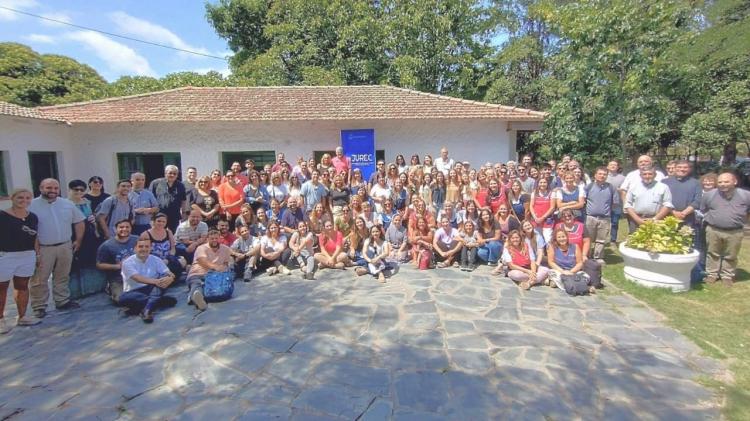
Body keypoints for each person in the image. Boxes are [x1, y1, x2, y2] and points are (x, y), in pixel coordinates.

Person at [29, 178, 85, 319]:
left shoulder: (67, 204)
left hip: (65, 246)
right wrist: (35, 251)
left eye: (55, 188)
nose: (52, 191)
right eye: (49, 188)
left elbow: (79, 222)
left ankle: (62, 300)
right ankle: (39, 306)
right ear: (41, 188)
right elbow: (30, 231)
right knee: (39, 279)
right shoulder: (31, 206)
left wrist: (78, 240)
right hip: (43, 248)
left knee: (62, 275)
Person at [0, 188, 42, 333]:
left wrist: (37, 255)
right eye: (20, 198)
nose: (24, 201)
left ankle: (22, 316)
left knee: (22, 285)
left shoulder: (33, 217)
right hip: (5, 255)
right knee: (2, 287)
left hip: (26, 255)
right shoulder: (2, 215)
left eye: (27, 198)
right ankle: (0, 320)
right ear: (12, 198)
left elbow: (35, 237)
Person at [699, 172, 750, 286]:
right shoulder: (709, 195)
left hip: (735, 231)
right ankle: (712, 274)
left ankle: (727, 275)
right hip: (713, 229)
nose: (723, 184)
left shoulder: (746, 195)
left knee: (731, 255)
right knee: (712, 253)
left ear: (734, 182)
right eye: (720, 182)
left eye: (726, 181)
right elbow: (704, 209)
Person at [119, 237, 177, 323]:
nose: (144, 249)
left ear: (150, 248)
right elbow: (137, 278)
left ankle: (147, 310)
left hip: (152, 288)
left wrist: (170, 278)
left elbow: (168, 273)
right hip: (134, 291)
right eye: (141, 246)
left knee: (163, 278)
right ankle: (158, 301)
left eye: (147, 246)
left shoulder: (155, 259)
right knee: (123, 299)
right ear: (135, 249)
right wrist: (157, 281)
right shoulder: (127, 263)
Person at [186, 229, 234, 311]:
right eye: (212, 239)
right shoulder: (201, 248)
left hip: (215, 275)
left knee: (218, 285)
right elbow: (202, 261)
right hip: (199, 273)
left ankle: (196, 297)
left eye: (216, 238)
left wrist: (223, 269)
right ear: (208, 239)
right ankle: (197, 297)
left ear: (219, 238)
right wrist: (216, 267)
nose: (214, 240)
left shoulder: (225, 249)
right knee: (197, 284)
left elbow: (225, 263)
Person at [96, 219, 139, 303]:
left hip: (137, 274)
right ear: (115, 229)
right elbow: (99, 265)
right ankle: (111, 289)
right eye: (121, 227)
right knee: (121, 300)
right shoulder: (107, 245)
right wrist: (118, 266)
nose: (124, 229)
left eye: (127, 227)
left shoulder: (137, 239)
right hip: (118, 278)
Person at [624, 167, 673, 233]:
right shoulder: (633, 187)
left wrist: (654, 219)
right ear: (640, 175)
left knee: (655, 242)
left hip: (657, 220)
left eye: (650, 174)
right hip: (636, 220)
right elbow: (627, 204)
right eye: (644, 174)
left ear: (655, 175)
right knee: (636, 242)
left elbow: (667, 205)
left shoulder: (663, 187)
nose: (647, 176)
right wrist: (638, 219)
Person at [546, 227, 595, 294]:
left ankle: (560, 284)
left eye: (563, 236)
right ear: (556, 239)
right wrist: (563, 271)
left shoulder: (575, 246)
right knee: (553, 274)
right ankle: (584, 287)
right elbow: (551, 262)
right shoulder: (552, 247)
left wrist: (570, 272)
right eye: (559, 237)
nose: (562, 239)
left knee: (586, 276)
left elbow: (580, 263)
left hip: (573, 271)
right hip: (559, 271)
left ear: (567, 237)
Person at [584, 167, 615, 260]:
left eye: (604, 174)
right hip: (590, 217)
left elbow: (614, 203)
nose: (602, 176)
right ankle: (587, 256)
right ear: (595, 175)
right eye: (600, 174)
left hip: (604, 218)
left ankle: (598, 257)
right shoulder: (589, 187)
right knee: (588, 238)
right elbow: (583, 200)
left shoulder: (611, 187)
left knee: (601, 240)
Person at [141, 213, 185, 278]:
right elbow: (143, 251)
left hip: (167, 259)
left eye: (163, 222)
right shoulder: (146, 234)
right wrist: (159, 262)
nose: (161, 223)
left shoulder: (168, 232)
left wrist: (170, 257)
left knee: (182, 261)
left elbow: (172, 248)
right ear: (154, 221)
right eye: (159, 221)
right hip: (153, 260)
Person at [662, 160, 701, 228]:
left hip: (688, 219)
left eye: (685, 167)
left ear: (689, 169)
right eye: (679, 167)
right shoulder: (665, 182)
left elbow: (697, 201)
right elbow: (662, 200)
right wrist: (674, 212)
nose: (682, 169)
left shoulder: (696, 183)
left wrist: (683, 213)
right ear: (675, 168)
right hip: (668, 217)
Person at [150, 165, 187, 233]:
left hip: (174, 215)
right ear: (165, 173)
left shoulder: (180, 185)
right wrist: (151, 215)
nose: (172, 175)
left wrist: (184, 214)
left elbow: (183, 200)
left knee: (173, 234)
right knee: (158, 233)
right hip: (159, 215)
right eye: (170, 173)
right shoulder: (156, 183)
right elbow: (150, 199)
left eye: (174, 173)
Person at [530, 177, 556, 243]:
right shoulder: (534, 193)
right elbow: (531, 206)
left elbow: (552, 207)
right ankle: (540, 253)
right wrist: (535, 217)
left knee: (548, 240)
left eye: (544, 182)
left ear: (547, 184)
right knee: (538, 240)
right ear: (538, 184)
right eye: (541, 182)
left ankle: (549, 252)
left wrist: (543, 217)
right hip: (536, 220)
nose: (542, 184)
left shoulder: (551, 193)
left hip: (547, 220)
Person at [606, 160, 626, 243]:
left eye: (615, 165)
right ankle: (601, 239)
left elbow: (625, 190)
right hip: (605, 203)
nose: (613, 166)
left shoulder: (623, 178)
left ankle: (613, 239)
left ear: (618, 167)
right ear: (607, 166)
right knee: (604, 223)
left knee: (614, 222)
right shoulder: (604, 176)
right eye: (611, 165)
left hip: (617, 203)